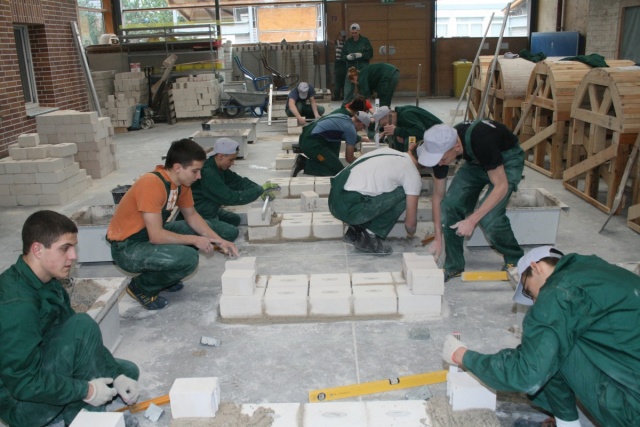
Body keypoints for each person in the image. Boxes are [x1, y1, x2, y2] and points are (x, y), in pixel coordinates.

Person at [442, 245, 640, 427]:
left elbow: (527, 373)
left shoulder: (559, 292)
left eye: (529, 292)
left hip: (633, 412)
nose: (535, 300)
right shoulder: (595, 271)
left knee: (547, 351)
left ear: (536, 267)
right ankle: (566, 422)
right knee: (555, 341)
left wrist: (463, 356)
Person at [0, 210, 140, 427]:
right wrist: (87, 390)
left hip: (45, 364)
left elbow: (77, 338)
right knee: (82, 326)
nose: (73, 256)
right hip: (21, 403)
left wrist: (117, 375)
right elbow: (23, 383)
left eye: (73, 247)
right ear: (37, 249)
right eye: (65, 248)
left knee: (126, 372)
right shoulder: (18, 304)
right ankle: (83, 418)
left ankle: (70, 405)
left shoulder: (48, 281)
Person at [107, 138, 239, 310]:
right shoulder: (152, 183)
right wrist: (195, 240)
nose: (199, 176)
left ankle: (164, 277)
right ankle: (141, 287)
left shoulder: (181, 184)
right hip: (127, 247)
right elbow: (156, 236)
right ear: (178, 167)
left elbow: (192, 216)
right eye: (195, 171)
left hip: (147, 235)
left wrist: (219, 241)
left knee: (201, 229)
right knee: (188, 258)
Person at [418, 120, 525, 282]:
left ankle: (515, 258)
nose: (439, 164)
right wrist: (438, 238)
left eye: (442, 159)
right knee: (451, 205)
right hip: (476, 163)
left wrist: (472, 220)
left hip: (507, 160)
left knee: (490, 217)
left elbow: (501, 186)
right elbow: (438, 196)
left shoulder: (482, 140)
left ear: (456, 146)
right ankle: (454, 265)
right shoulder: (441, 150)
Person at [329, 145, 422, 254]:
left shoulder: (389, 151)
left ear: (412, 147)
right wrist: (413, 232)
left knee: (375, 189)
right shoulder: (411, 173)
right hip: (349, 207)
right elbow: (410, 225)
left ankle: (355, 231)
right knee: (403, 193)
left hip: (335, 199)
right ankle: (369, 236)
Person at [188, 138, 280, 242]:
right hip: (199, 212)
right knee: (231, 233)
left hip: (210, 207)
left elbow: (238, 181)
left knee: (234, 219)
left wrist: (259, 188)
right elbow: (229, 198)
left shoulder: (218, 167)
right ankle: (195, 233)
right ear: (221, 156)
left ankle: (212, 221)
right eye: (231, 160)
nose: (233, 163)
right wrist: (258, 191)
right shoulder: (209, 173)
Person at [291, 112, 371, 177]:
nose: (362, 130)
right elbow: (349, 158)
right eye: (363, 127)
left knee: (335, 150)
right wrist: (364, 164)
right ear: (361, 124)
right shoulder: (350, 130)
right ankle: (304, 163)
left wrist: (362, 139)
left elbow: (347, 133)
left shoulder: (343, 116)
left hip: (305, 135)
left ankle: (328, 161)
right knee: (338, 171)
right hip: (312, 143)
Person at [378, 105, 442, 152]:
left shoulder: (406, 115)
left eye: (385, 124)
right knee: (398, 136)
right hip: (432, 136)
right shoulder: (399, 114)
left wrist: (396, 130)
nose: (386, 126)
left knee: (409, 139)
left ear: (390, 115)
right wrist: (386, 132)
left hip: (440, 138)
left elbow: (421, 131)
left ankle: (409, 163)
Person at [333, 30, 347, 101]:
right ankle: (344, 96)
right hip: (345, 64)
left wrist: (326, 32)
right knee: (344, 81)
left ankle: (337, 96)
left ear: (342, 36)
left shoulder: (338, 42)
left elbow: (330, 40)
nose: (338, 36)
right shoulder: (346, 44)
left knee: (337, 81)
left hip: (338, 63)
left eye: (339, 35)